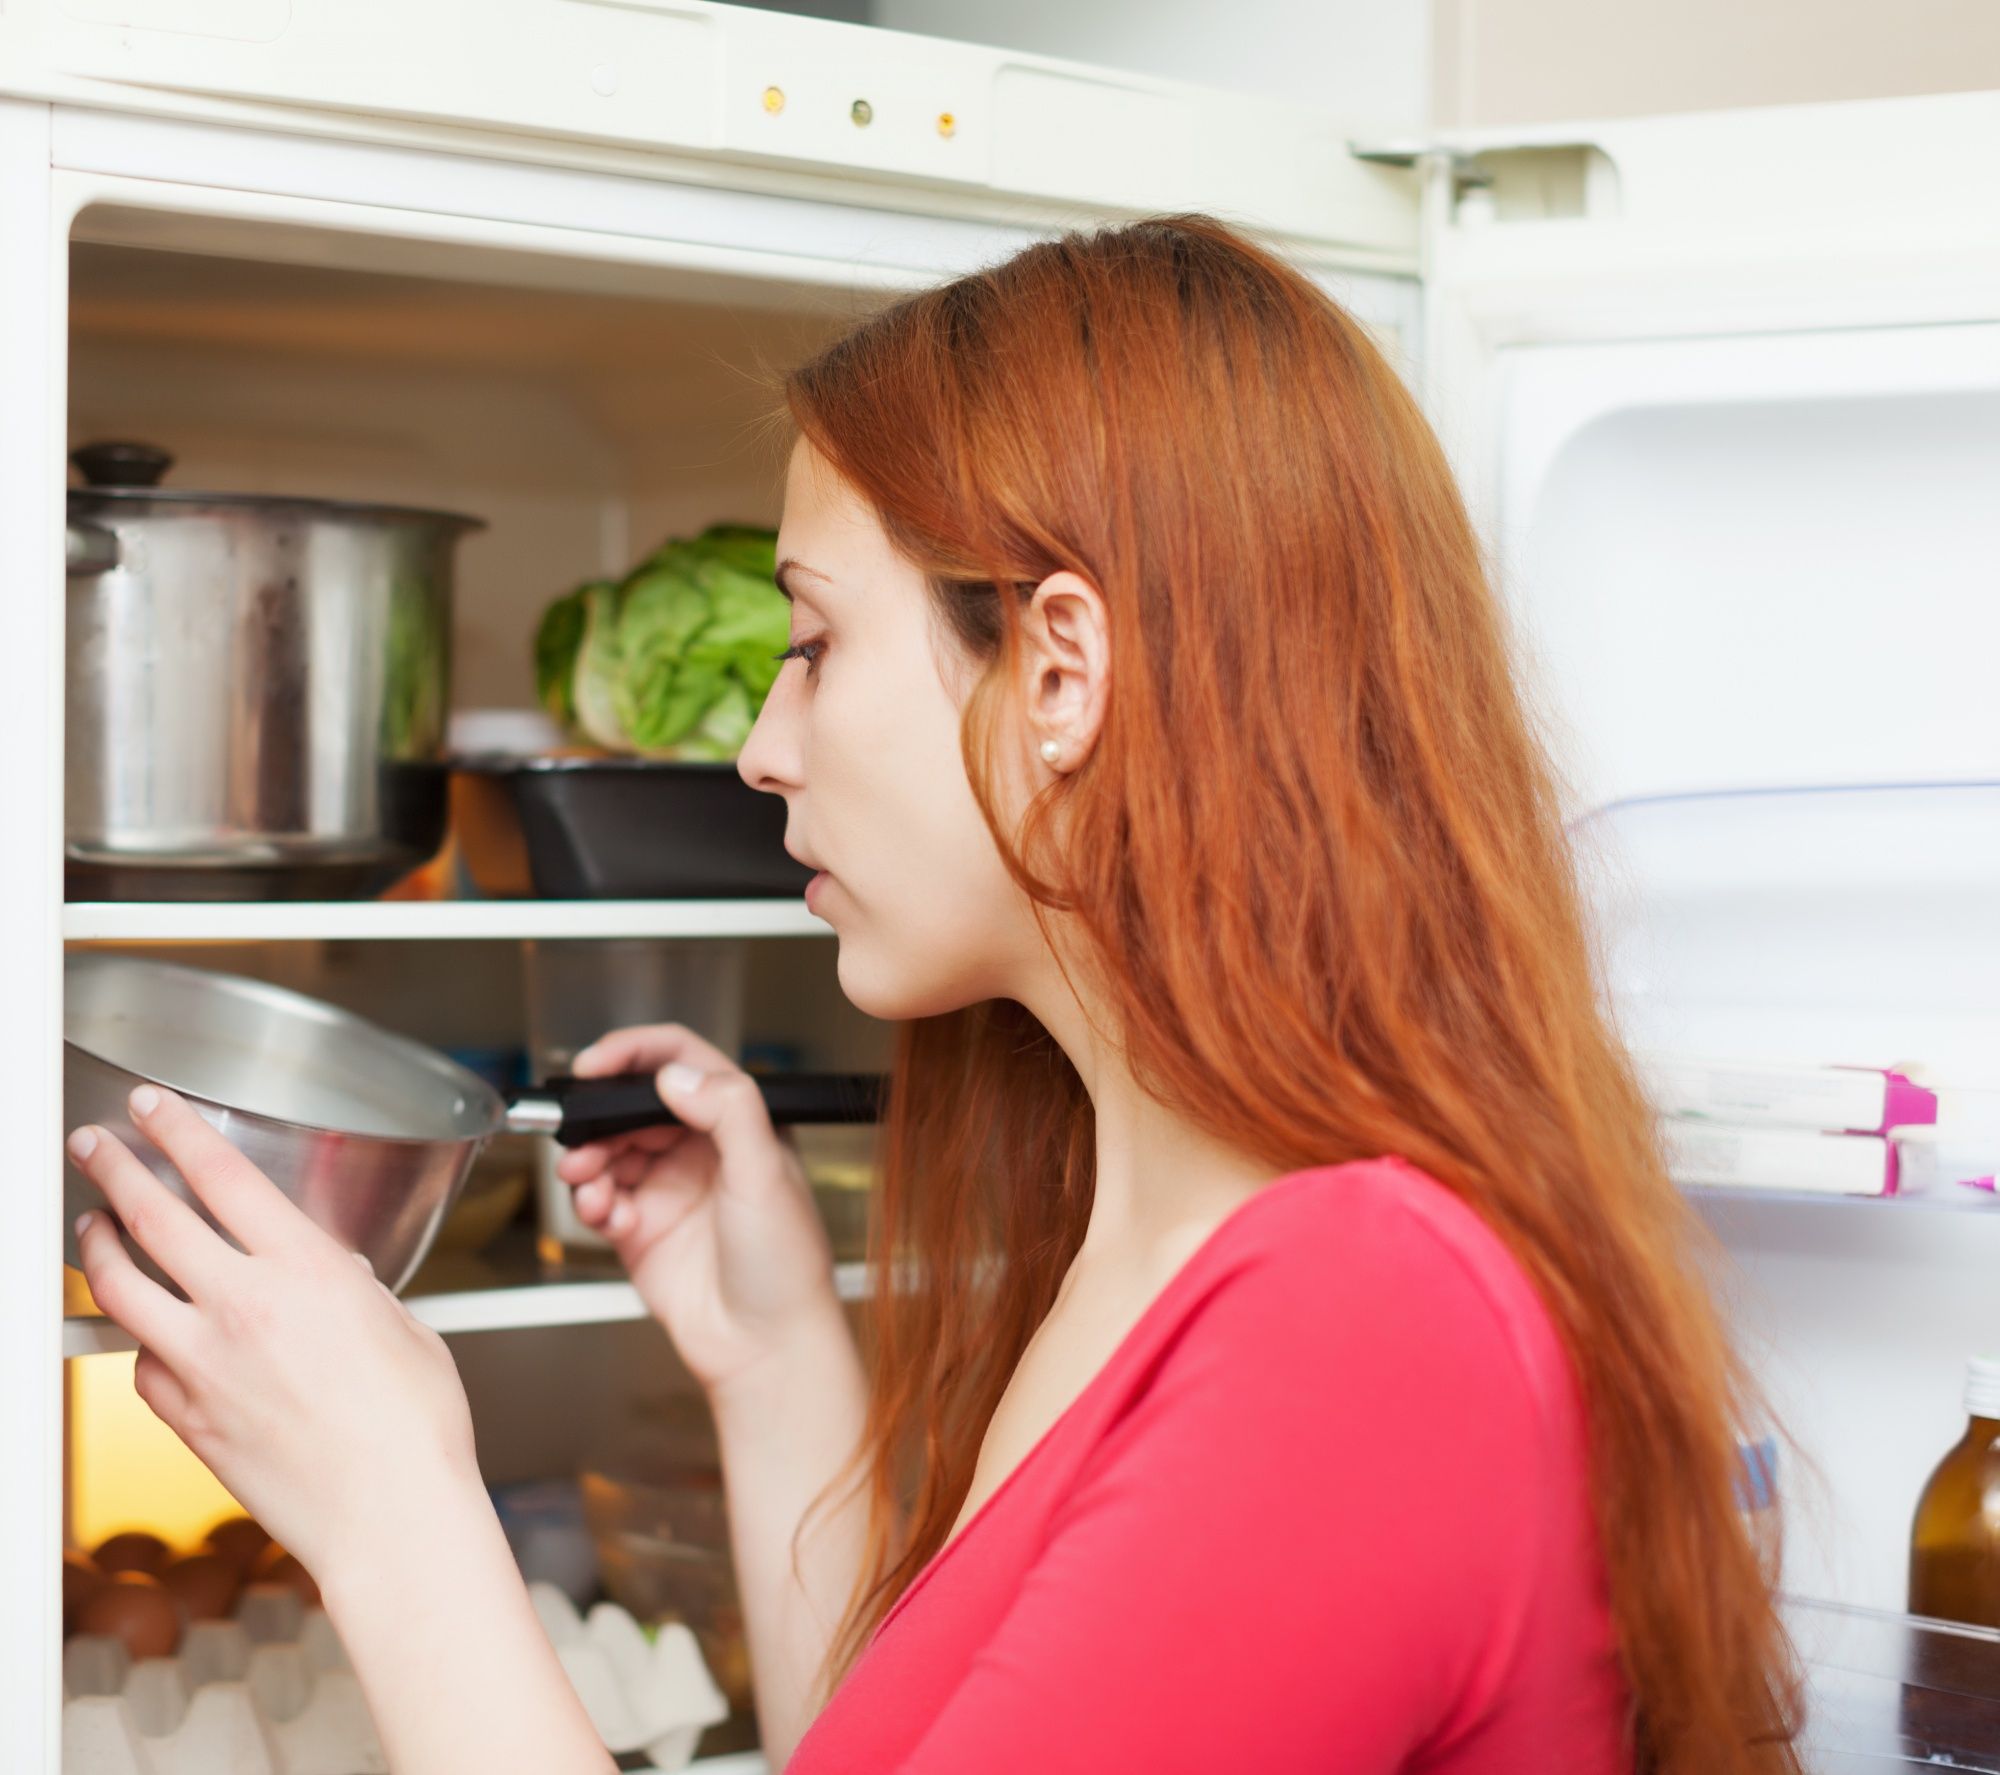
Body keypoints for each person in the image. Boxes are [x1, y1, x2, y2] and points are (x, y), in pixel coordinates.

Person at [67, 215, 1803, 1774]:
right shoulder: (1158, 1253)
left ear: (1060, 670)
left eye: (814, 645)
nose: (759, 747)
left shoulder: (1365, 1325)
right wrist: (770, 1361)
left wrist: (391, 1511)